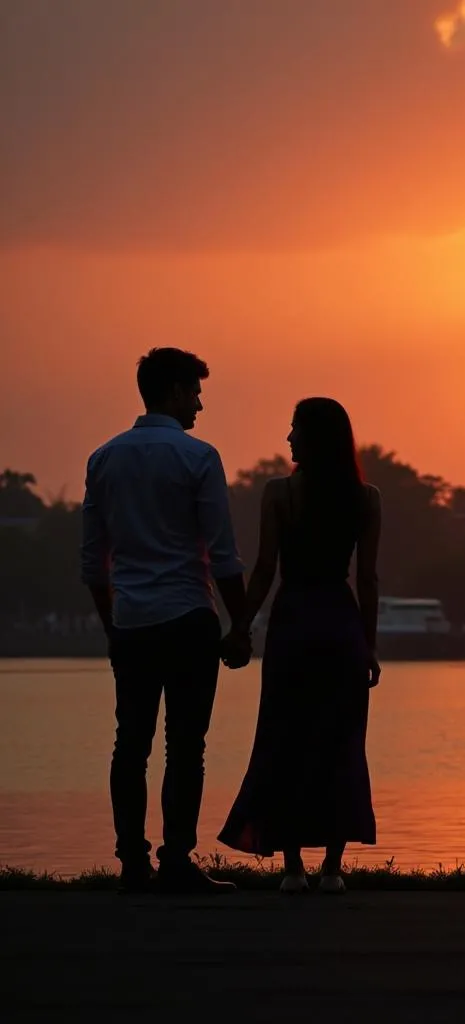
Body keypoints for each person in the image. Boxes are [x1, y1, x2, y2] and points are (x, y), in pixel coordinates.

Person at [81, 347, 251, 895]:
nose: (200, 404)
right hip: (187, 617)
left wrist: (113, 626)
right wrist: (241, 623)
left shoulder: (103, 459)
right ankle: (176, 857)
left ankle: (132, 861)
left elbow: (93, 561)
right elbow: (222, 555)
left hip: (132, 622)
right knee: (186, 746)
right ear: (176, 391)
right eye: (196, 392)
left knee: (129, 744)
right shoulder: (198, 457)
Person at [217, 397, 381, 893]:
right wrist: (369, 645)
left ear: (312, 438)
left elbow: (265, 569)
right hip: (340, 625)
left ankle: (292, 867)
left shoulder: (279, 495)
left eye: (294, 431)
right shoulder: (366, 497)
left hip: (293, 625)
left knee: (285, 738)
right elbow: (367, 578)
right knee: (340, 741)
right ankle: (333, 867)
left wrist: (241, 625)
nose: (288, 439)